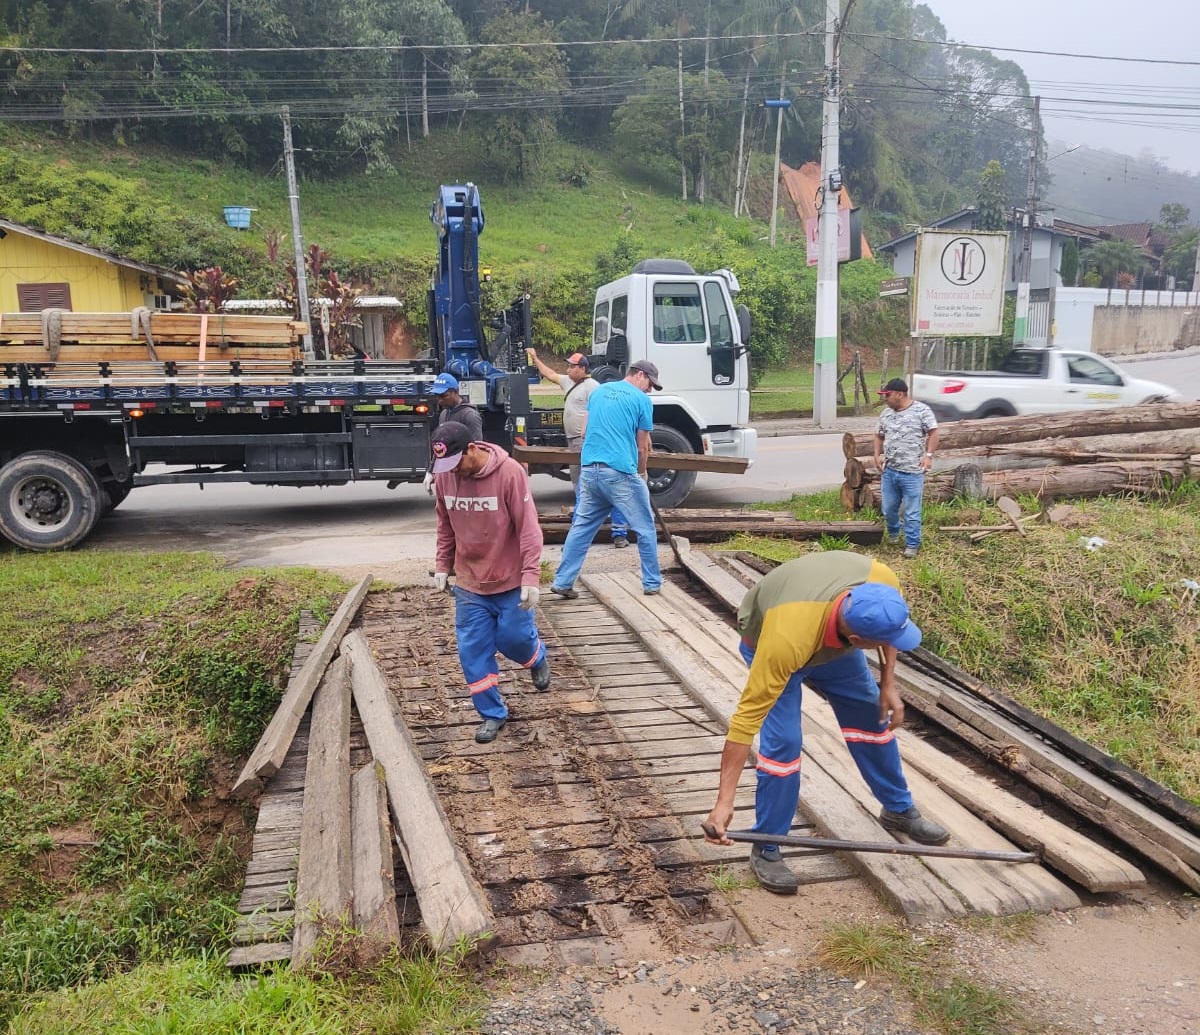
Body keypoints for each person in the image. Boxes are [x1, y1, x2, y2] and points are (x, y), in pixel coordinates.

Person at [702, 550, 949, 895]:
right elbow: (744, 723)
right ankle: (767, 845)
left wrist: (888, 684)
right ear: (858, 642)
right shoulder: (785, 642)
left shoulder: (881, 582)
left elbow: (891, 632)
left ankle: (898, 809)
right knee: (783, 744)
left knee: (872, 719)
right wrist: (724, 802)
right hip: (771, 640)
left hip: (832, 642)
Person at [430, 422, 550, 744]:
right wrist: (443, 565)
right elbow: (445, 524)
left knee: (514, 639)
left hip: (509, 579)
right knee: (472, 651)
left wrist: (531, 576)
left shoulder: (509, 473)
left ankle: (536, 656)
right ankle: (492, 715)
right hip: (470, 583)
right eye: (445, 467)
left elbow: (529, 528)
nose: (453, 473)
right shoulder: (445, 477)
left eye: (457, 464)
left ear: (472, 449)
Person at [550, 360, 663, 598]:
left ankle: (563, 581)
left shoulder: (599, 391)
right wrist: (641, 474)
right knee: (644, 527)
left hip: (590, 470)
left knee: (581, 528)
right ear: (640, 375)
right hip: (620, 472)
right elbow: (643, 448)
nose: (650, 390)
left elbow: (583, 432)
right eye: (650, 384)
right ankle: (652, 582)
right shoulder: (642, 400)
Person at [526, 348, 629, 548]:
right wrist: (536, 358)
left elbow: (603, 411)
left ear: (582, 369)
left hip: (588, 441)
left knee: (588, 486)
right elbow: (549, 374)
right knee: (582, 484)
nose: (568, 369)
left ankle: (596, 533)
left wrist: (592, 433)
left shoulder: (593, 387)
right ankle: (595, 532)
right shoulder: (569, 382)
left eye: (572, 366)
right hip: (574, 441)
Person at [873, 378, 939, 559]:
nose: (885, 398)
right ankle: (894, 532)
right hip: (890, 471)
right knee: (888, 508)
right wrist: (877, 455)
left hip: (912, 472)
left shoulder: (921, 411)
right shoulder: (885, 414)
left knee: (912, 511)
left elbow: (933, 433)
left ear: (900, 394)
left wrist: (928, 456)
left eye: (888, 395)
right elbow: (878, 436)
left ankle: (912, 543)